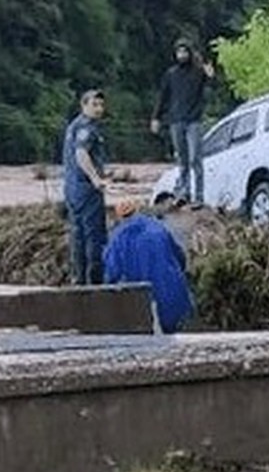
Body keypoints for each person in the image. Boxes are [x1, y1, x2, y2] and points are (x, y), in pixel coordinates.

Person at [103, 200, 196, 333]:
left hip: (142, 314)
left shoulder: (116, 239)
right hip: (176, 306)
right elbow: (181, 259)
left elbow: (110, 278)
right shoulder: (159, 227)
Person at [150, 37, 215, 207]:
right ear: (175, 54)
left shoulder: (198, 71)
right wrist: (156, 117)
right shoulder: (171, 74)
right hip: (175, 121)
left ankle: (199, 197)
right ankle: (184, 193)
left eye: (185, 51)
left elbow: (211, 83)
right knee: (182, 159)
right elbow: (163, 97)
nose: (182, 54)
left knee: (195, 159)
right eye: (179, 51)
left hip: (194, 120)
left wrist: (211, 75)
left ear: (190, 52)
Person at [61, 88, 111, 285]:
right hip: (87, 190)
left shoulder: (73, 126)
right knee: (94, 235)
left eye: (101, 105)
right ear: (83, 105)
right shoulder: (87, 128)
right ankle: (95, 283)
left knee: (77, 235)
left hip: (72, 188)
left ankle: (78, 280)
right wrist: (95, 179)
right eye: (94, 104)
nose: (99, 109)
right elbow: (81, 154)